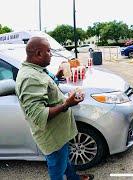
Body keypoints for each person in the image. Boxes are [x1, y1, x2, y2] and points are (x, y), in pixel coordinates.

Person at [15, 37, 94, 180]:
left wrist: (57, 75)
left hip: (60, 133)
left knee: (65, 160)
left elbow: (46, 86)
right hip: (53, 137)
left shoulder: (37, 70)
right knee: (57, 168)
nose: (51, 54)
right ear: (38, 54)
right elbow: (39, 115)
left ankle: (73, 178)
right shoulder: (30, 78)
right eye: (48, 51)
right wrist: (67, 104)